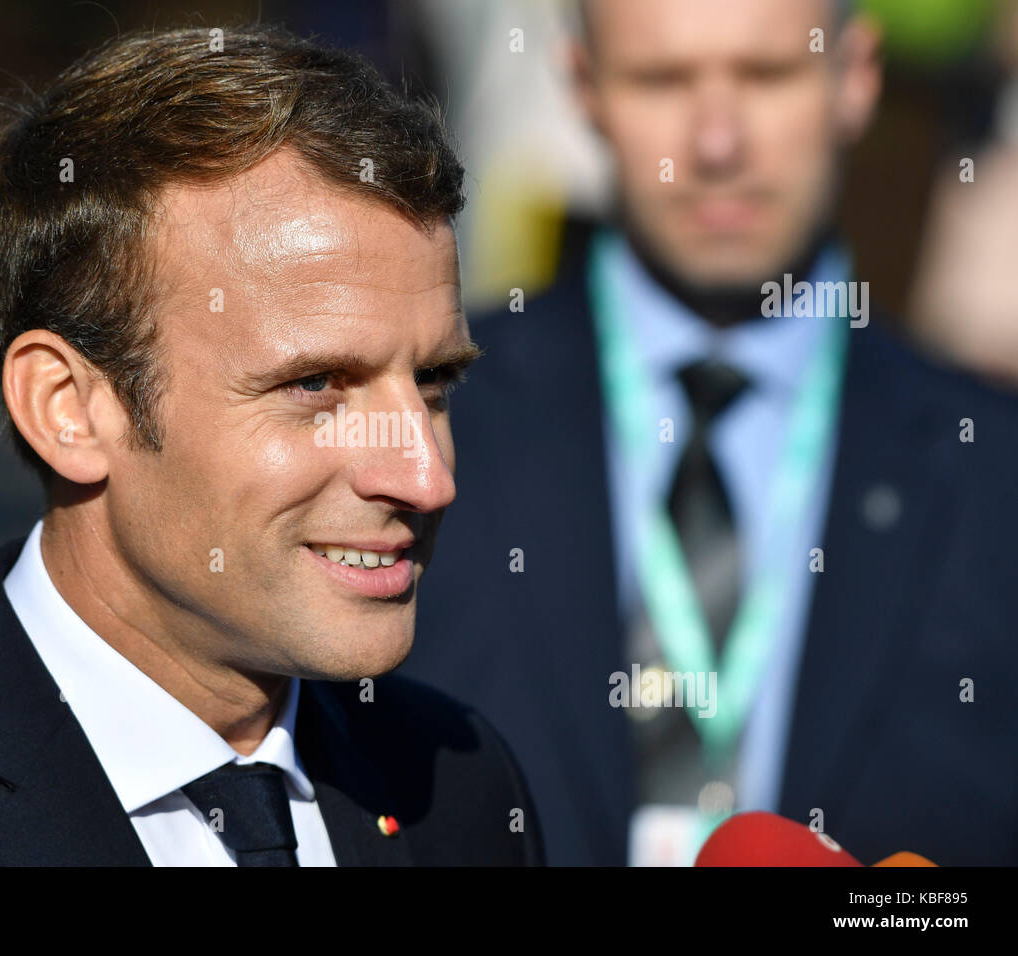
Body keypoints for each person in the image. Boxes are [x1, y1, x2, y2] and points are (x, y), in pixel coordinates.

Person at [0, 25, 542, 867]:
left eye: (434, 380)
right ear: (67, 408)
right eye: (315, 387)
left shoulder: (459, 787)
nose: (425, 475)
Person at [402, 0, 1018, 866]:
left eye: (767, 75)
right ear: (584, 86)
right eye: (663, 79)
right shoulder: (418, 426)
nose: (717, 143)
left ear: (857, 76)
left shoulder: (994, 472)